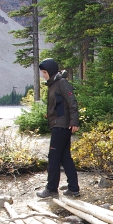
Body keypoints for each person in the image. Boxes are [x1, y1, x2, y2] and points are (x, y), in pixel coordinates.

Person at [36, 58, 81, 198]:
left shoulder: (62, 83)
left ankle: (51, 189)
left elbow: (72, 102)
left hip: (61, 126)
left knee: (54, 157)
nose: (43, 75)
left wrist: (75, 121)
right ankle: (73, 188)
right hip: (59, 125)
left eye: (44, 72)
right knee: (65, 157)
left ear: (50, 71)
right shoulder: (54, 83)